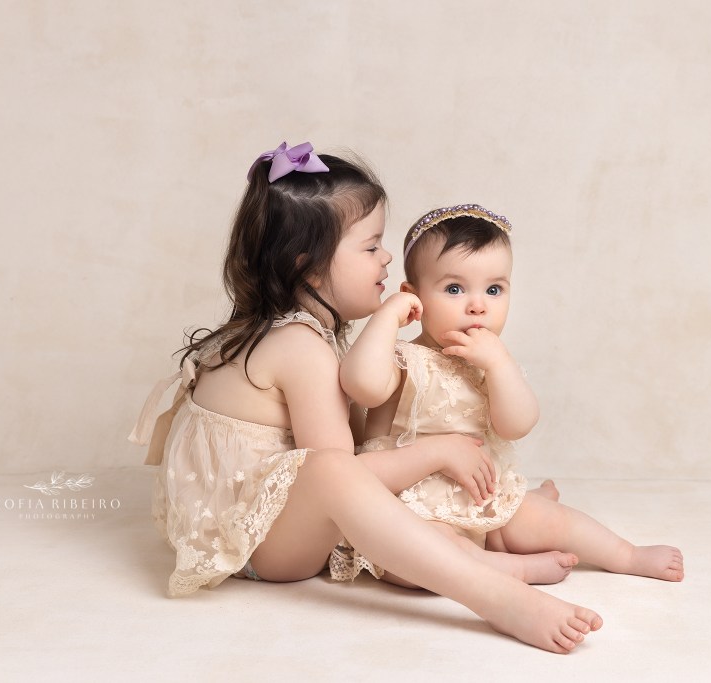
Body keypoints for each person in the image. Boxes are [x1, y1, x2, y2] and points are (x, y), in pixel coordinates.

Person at [128, 143, 603, 654]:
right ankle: (495, 594)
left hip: (257, 525)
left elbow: (362, 444)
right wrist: (438, 452)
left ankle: (490, 526)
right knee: (336, 469)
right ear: (307, 264)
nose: (386, 258)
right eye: (371, 245)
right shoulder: (299, 347)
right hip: (254, 547)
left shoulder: (295, 330)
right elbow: (347, 475)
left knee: (374, 468)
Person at [339, 204, 685, 587]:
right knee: (418, 560)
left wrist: (500, 366)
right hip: (409, 505)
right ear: (413, 297)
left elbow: (517, 424)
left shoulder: (489, 363)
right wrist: (387, 317)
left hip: (482, 496)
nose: (478, 305)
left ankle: (625, 554)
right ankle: (512, 570)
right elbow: (360, 384)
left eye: (494, 289)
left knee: (544, 519)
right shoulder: (404, 358)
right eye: (454, 289)